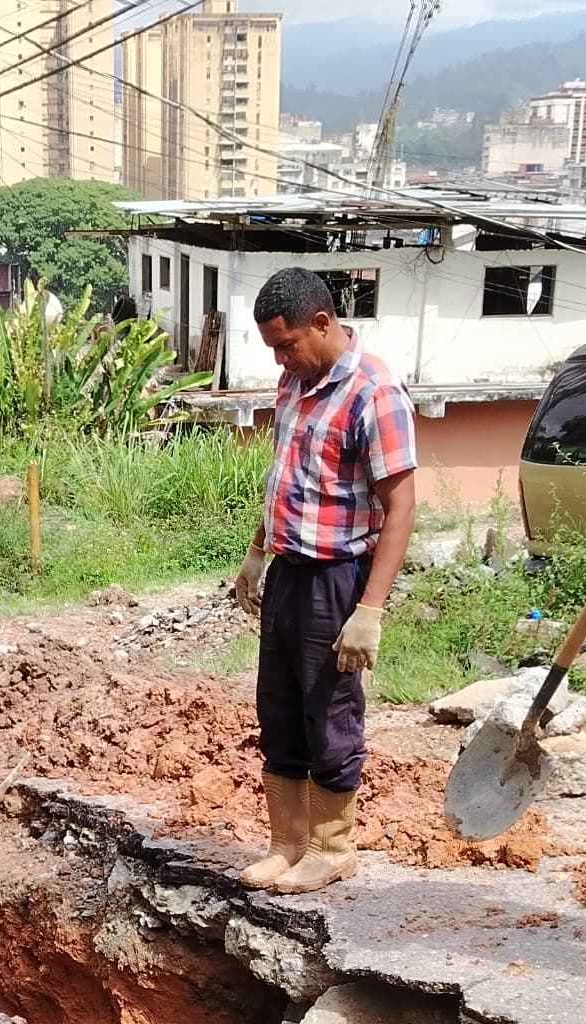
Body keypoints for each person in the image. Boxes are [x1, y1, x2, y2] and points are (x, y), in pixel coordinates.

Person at [231, 266, 418, 896]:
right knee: (279, 708)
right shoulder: (295, 382)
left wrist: (371, 609)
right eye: (273, 349)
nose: (282, 359)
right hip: (288, 569)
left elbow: (402, 507)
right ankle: (288, 842)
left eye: (287, 344)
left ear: (322, 322)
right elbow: (285, 477)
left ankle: (332, 848)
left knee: (329, 712)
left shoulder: (375, 392)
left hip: (338, 578)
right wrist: (258, 551)